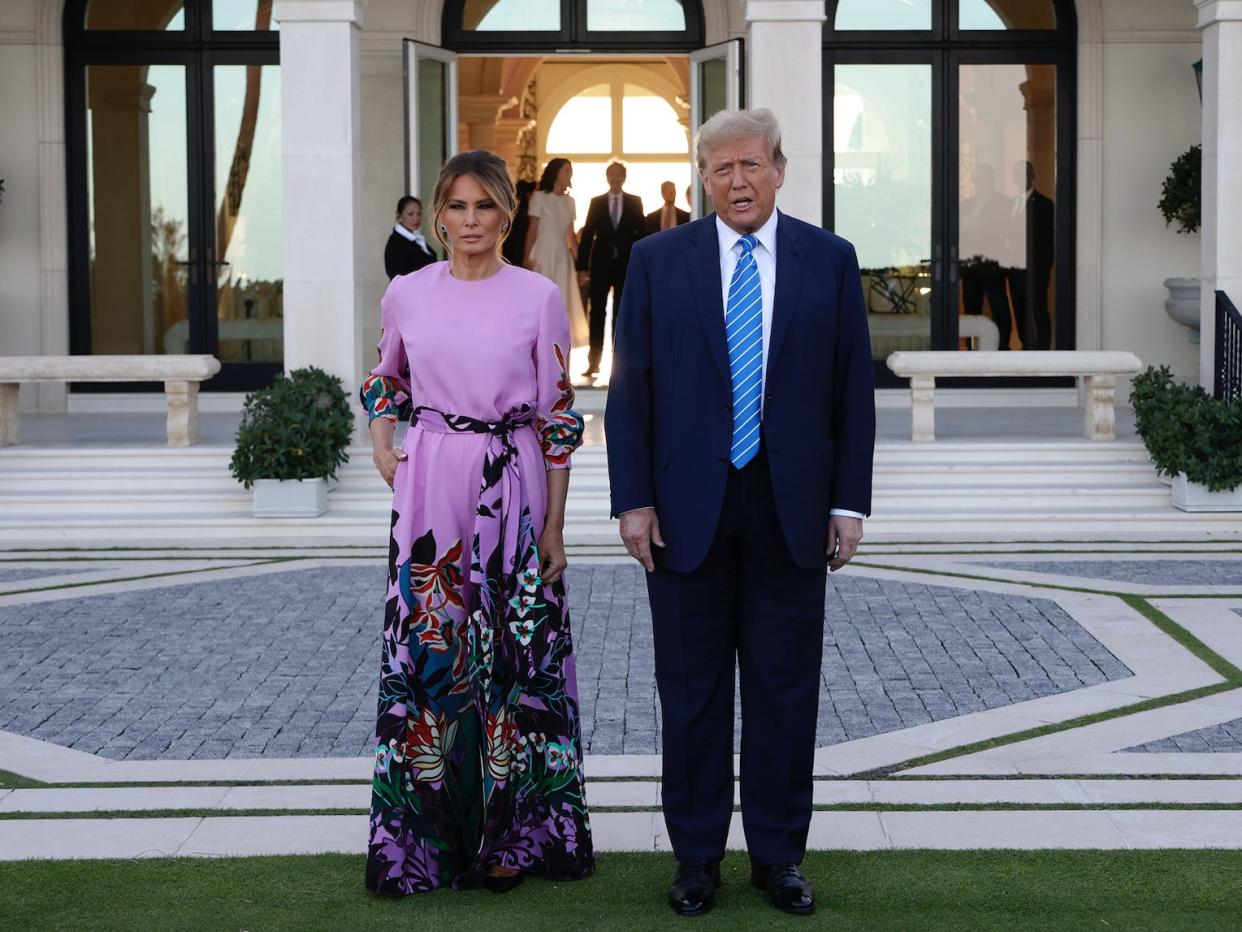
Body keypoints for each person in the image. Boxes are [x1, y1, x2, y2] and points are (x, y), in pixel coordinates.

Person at [606, 108, 876, 919]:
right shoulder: (656, 260)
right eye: (719, 169)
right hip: (686, 509)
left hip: (791, 508)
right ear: (702, 177)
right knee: (688, 694)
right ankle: (695, 859)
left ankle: (779, 857)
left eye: (751, 165)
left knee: (783, 691)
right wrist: (633, 501)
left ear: (780, 169)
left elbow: (851, 393)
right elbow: (630, 391)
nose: (736, 182)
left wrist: (847, 503)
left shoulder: (829, 260)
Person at [360, 149, 594, 896]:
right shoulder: (407, 292)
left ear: (506, 215)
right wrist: (382, 444)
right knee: (431, 654)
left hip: (511, 483)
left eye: (484, 207)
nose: (470, 222)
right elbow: (385, 378)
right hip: (430, 488)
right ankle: (426, 841)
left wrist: (554, 528)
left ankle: (513, 841)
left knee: (514, 660)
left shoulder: (536, 297)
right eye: (457, 207)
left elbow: (558, 419)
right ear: (437, 213)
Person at [576, 162, 647, 378]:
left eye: (618, 175)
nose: (615, 179)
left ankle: (620, 363)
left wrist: (642, 267)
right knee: (597, 313)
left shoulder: (635, 202)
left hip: (626, 266)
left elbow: (641, 235)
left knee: (622, 314)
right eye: (611, 175)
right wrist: (581, 267)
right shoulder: (596, 202)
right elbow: (588, 234)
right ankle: (593, 362)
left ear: (624, 178)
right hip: (600, 265)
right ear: (607, 178)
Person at [525, 158, 589, 349]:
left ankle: (561, 352)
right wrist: (526, 258)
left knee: (563, 303)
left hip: (563, 258)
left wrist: (581, 265)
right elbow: (532, 230)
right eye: (566, 171)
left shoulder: (571, 202)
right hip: (543, 254)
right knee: (541, 303)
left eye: (570, 171)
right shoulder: (539, 197)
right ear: (555, 174)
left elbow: (571, 236)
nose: (569, 175)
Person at [958, 163, 1016, 350]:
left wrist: (981, 226)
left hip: (992, 263)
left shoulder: (1004, 203)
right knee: (971, 307)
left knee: (999, 307)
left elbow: (1007, 231)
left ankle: (1003, 347)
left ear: (991, 180)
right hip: (970, 264)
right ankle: (971, 348)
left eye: (984, 178)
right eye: (977, 178)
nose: (980, 181)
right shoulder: (966, 204)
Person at [1007, 160, 1056, 350]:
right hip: (1014, 268)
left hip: (1035, 269)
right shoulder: (1011, 203)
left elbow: (1049, 241)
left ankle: (1043, 350)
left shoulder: (1045, 204)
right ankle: (1027, 346)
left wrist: (1044, 268)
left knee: (1038, 310)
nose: (1021, 178)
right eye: (1017, 174)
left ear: (1032, 176)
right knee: (1019, 310)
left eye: (1025, 173)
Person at [384, 195, 437, 279]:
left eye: (419, 214)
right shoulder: (397, 243)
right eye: (410, 214)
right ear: (399, 216)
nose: (416, 218)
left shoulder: (414, 239)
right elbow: (398, 277)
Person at [501, 179, 535, 268]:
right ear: (528, 193)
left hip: (508, 248)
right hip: (520, 250)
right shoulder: (527, 213)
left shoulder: (512, 211)